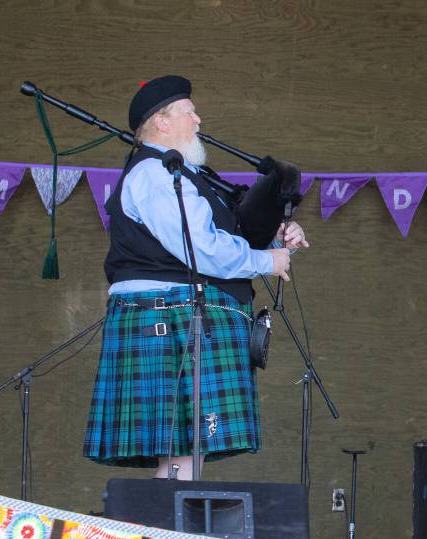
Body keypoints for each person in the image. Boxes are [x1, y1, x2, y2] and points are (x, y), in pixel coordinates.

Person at [83, 75, 309, 479]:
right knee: (178, 453)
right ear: (162, 121)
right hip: (167, 318)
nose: (199, 120)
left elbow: (226, 230)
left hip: (178, 317)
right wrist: (265, 262)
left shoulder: (185, 175)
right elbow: (201, 249)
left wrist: (278, 236)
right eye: (190, 112)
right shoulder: (156, 175)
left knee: (187, 453)